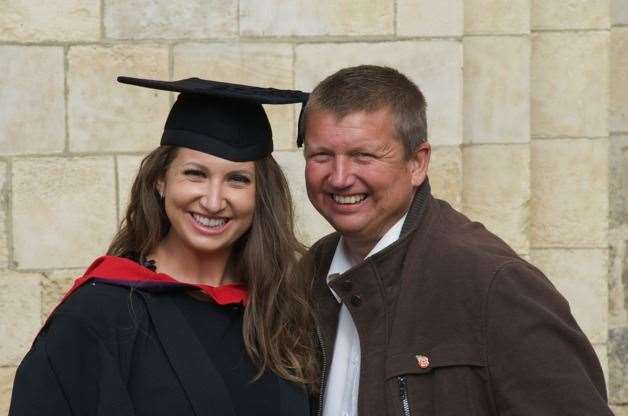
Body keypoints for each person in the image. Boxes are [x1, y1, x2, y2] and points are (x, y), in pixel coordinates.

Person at [300, 65, 613, 415]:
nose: (340, 178)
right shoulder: (308, 276)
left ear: (418, 163)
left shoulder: (494, 284)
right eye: (321, 156)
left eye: (364, 156)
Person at [10, 77, 318, 416]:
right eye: (195, 174)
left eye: (237, 179)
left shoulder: (282, 315)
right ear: (160, 180)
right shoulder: (97, 315)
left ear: (260, 195)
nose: (214, 201)